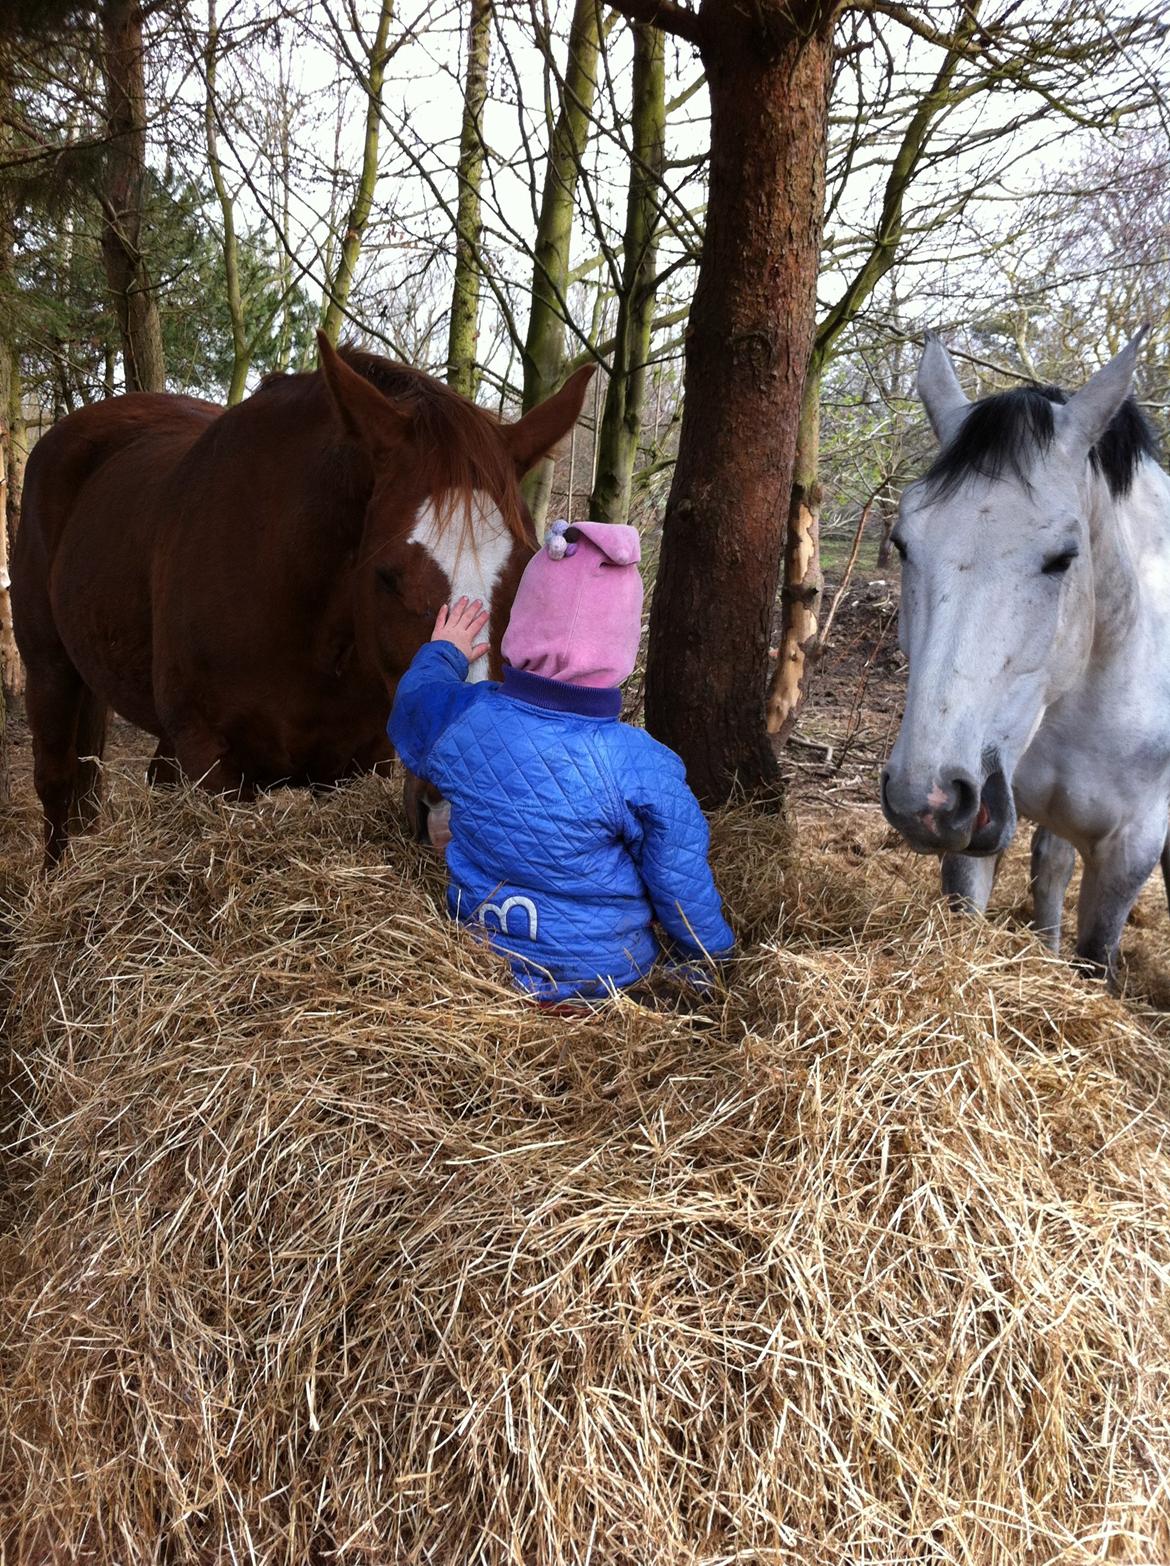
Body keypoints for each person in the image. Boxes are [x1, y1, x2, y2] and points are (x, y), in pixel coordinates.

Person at [388, 519, 735, 1003]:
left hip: (473, 962)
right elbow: (679, 879)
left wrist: (444, 652)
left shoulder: (465, 718)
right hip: (602, 983)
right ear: (621, 642)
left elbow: (413, 705)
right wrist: (711, 955)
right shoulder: (643, 765)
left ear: (524, 621)